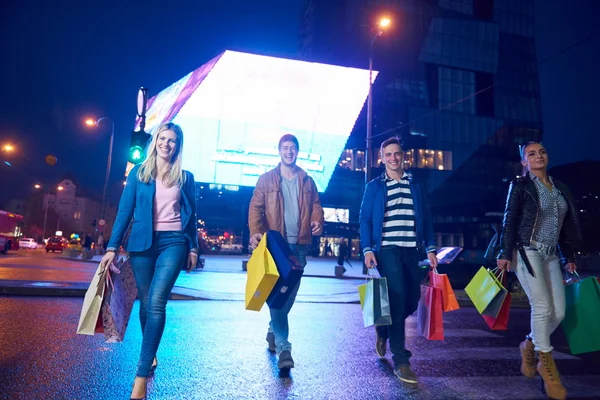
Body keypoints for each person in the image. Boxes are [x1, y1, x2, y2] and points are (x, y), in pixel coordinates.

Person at [99, 122, 198, 400]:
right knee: (145, 300)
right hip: (142, 244)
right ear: (155, 142)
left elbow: (191, 216)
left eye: (173, 141)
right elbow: (124, 211)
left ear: (178, 146)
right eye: (163, 139)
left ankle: (140, 376)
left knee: (156, 302)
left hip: (174, 243)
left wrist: (193, 249)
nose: (167, 144)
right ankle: (150, 354)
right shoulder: (139, 175)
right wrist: (111, 247)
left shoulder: (186, 177)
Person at [496, 141, 581, 400]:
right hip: (526, 251)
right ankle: (546, 364)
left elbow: (564, 227)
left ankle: (529, 345)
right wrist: (503, 252)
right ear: (524, 162)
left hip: (551, 254)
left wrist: (569, 256)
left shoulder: (560, 188)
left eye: (541, 152)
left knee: (559, 311)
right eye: (531, 154)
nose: (538, 156)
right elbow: (509, 219)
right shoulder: (520, 186)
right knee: (542, 307)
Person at [359, 137, 438, 384]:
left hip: (411, 250)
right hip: (387, 250)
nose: (393, 158)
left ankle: (383, 329)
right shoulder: (374, 186)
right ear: (382, 158)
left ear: (403, 155)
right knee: (397, 298)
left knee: (412, 301)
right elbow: (365, 219)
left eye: (397, 153)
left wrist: (431, 248)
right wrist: (367, 249)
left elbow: (426, 217)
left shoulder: (414, 184)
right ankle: (402, 361)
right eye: (388, 154)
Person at [248, 133, 324, 370]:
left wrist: (317, 219)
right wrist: (255, 231)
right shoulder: (266, 180)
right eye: (285, 148)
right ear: (279, 151)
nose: (289, 152)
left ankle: (273, 329)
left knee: (287, 297)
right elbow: (256, 207)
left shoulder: (307, 180)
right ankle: (284, 349)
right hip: (276, 246)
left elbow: (316, 205)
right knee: (279, 298)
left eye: (293, 148)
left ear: (297, 152)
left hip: (299, 245)